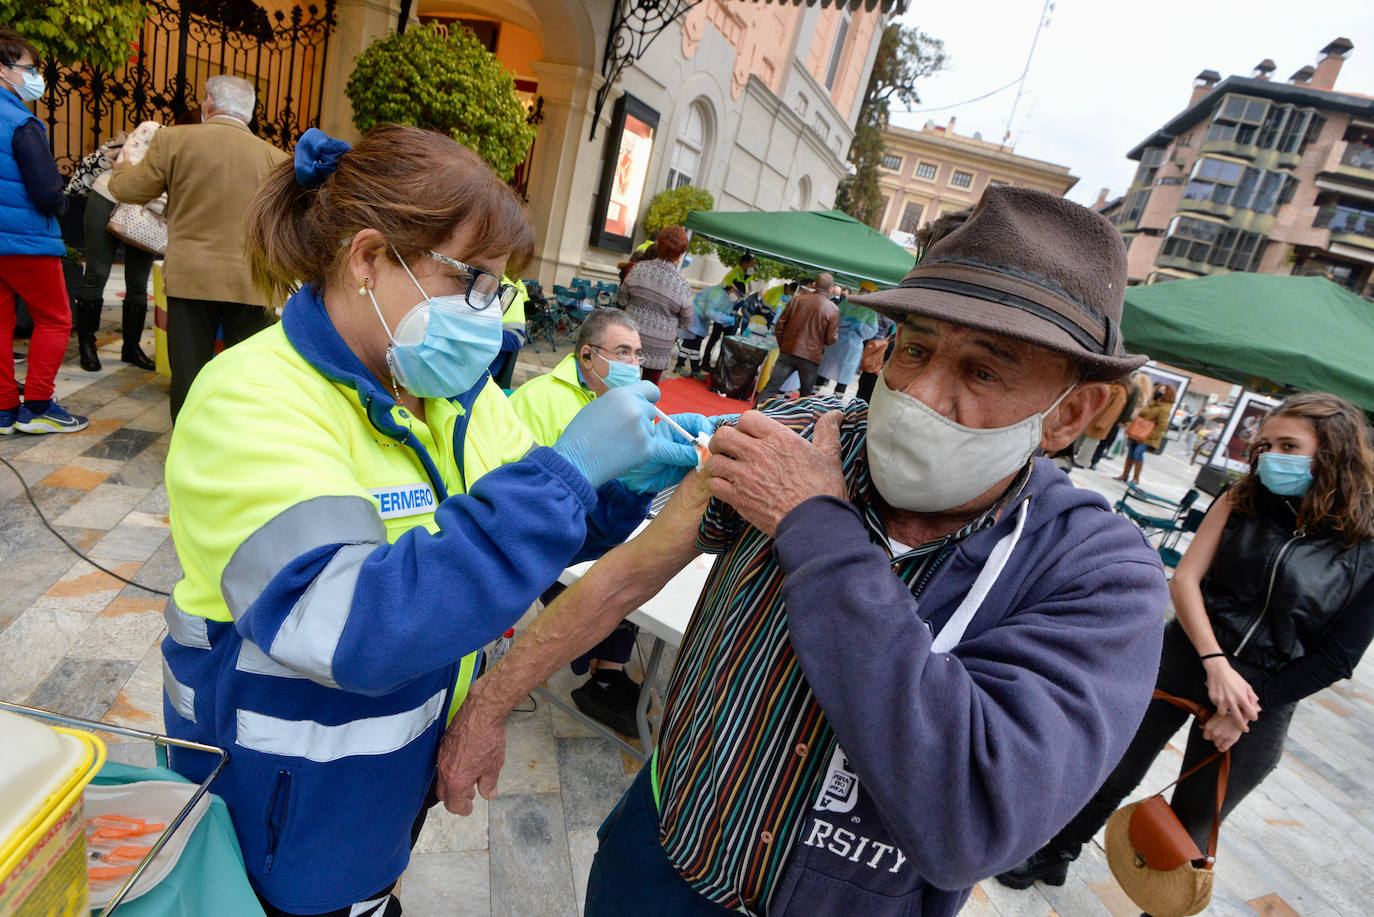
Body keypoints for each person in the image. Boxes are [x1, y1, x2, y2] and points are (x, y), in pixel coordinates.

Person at [437, 185, 1170, 917]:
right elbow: (628, 574)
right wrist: (491, 703)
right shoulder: (795, 432)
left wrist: (816, 523)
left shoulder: (1099, 577)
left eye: (983, 371)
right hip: (662, 858)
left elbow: (969, 817)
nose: (918, 395)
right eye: (914, 348)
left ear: (1071, 412)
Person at [157, 125, 702, 917]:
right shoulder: (253, 398)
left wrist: (610, 489)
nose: (495, 316)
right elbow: (353, 624)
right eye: (473, 281)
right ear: (369, 258)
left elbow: (527, 541)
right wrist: (566, 472)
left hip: (384, 781)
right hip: (278, 807)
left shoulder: (454, 395)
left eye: (501, 288)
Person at [999, 391, 1374, 890]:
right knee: (1112, 766)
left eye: (1289, 445)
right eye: (1266, 446)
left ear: (1335, 449)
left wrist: (1242, 708)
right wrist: (1215, 663)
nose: (1273, 458)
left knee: (1194, 818)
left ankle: (1160, 903)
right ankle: (1054, 853)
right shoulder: (1242, 496)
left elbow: (1339, 657)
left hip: (1268, 691)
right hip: (1186, 653)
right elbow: (1186, 580)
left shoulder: (1365, 544)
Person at [108, 74, 288, 421]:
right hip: (253, 282)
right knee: (246, 376)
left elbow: (130, 190)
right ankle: (235, 448)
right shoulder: (276, 158)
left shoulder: (173, 140)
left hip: (192, 278)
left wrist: (122, 169)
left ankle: (188, 450)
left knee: (188, 375)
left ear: (207, 103)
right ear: (249, 113)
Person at [0, 28, 88, 435]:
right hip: (26, 240)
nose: (35, 76)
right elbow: (46, 189)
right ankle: (37, 405)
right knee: (54, 319)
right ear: (3, 70)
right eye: (29, 68)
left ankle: (3, 410)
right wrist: (61, 204)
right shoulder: (22, 122)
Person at [73, 122, 160, 372]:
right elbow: (126, 161)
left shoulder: (191, 151)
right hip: (108, 197)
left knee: (138, 280)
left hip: (145, 211)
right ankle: (87, 346)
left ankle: (131, 348)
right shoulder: (154, 130)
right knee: (97, 273)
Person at [619, 226, 693, 386]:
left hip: (631, 339)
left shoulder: (638, 269)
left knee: (621, 384)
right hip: (659, 347)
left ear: (658, 244)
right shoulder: (681, 285)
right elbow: (687, 322)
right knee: (648, 391)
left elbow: (622, 299)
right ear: (681, 253)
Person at [755, 271, 838, 403]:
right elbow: (829, 340)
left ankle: (753, 414)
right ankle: (799, 421)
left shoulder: (797, 300)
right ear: (830, 289)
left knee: (771, 388)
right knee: (805, 395)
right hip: (811, 357)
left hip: (789, 350)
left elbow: (779, 326)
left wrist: (784, 345)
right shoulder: (833, 309)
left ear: (815, 284)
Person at [816, 283, 881, 396]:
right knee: (825, 371)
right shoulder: (848, 301)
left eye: (867, 291)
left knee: (843, 376)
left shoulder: (870, 310)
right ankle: (814, 395)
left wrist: (858, 326)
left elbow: (872, 330)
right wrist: (847, 323)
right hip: (839, 343)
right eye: (864, 290)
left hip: (849, 346)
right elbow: (834, 316)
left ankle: (835, 402)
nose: (864, 293)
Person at [1117, 383, 1173, 484]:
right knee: (1131, 453)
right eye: (1160, 389)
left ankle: (1136, 478)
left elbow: (1162, 425)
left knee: (1138, 453)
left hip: (1148, 436)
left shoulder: (1165, 408)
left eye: (1163, 390)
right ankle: (1125, 475)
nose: (1160, 392)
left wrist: (1150, 435)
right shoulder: (1151, 403)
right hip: (1138, 432)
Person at [1073, 379, 1127, 469]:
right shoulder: (1110, 385)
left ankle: (1083, 461)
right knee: (1081, 438)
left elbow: (1114, 410)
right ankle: (1073, 456)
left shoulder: (1120, 391)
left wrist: (1103, 423)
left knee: (1090, 443)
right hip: (1093, 418)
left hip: (1100, 421)